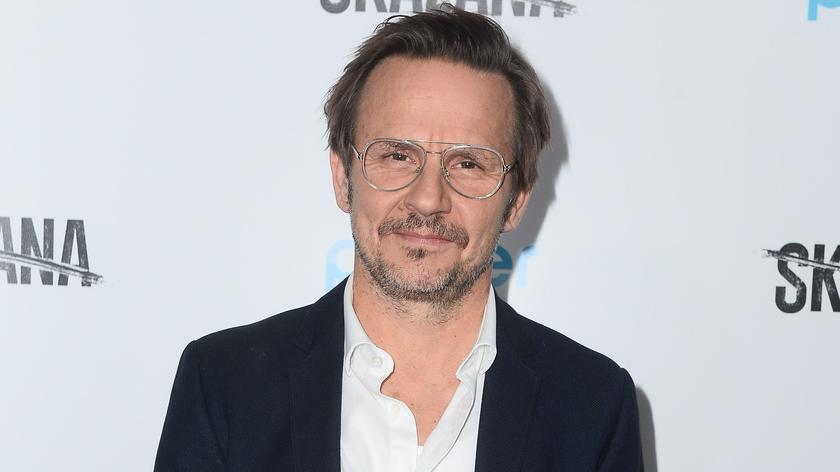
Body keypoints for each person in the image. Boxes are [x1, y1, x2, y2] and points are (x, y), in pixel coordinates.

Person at [154, 5, 643, 472]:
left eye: (468, 163)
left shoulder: (593, 405)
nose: (428, 199)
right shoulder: (223, 385)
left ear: (515, 201)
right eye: (397, 156)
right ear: (343, 178)